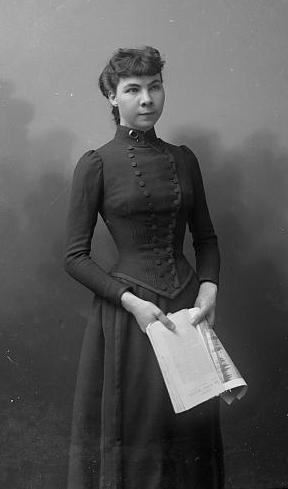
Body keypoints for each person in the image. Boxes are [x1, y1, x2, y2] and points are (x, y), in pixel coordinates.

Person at [64, 46, 224, 489]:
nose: (147, 99)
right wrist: (130, 302)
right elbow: (74, 257)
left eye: (154, 87)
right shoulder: (96, 164)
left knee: (191, 433)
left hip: (188, 309)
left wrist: (208, 291)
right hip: (133, 315)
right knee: (137, 436)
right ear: (112, 98)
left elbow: (205, 238)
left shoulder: (183, 159)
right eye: (133, 90)